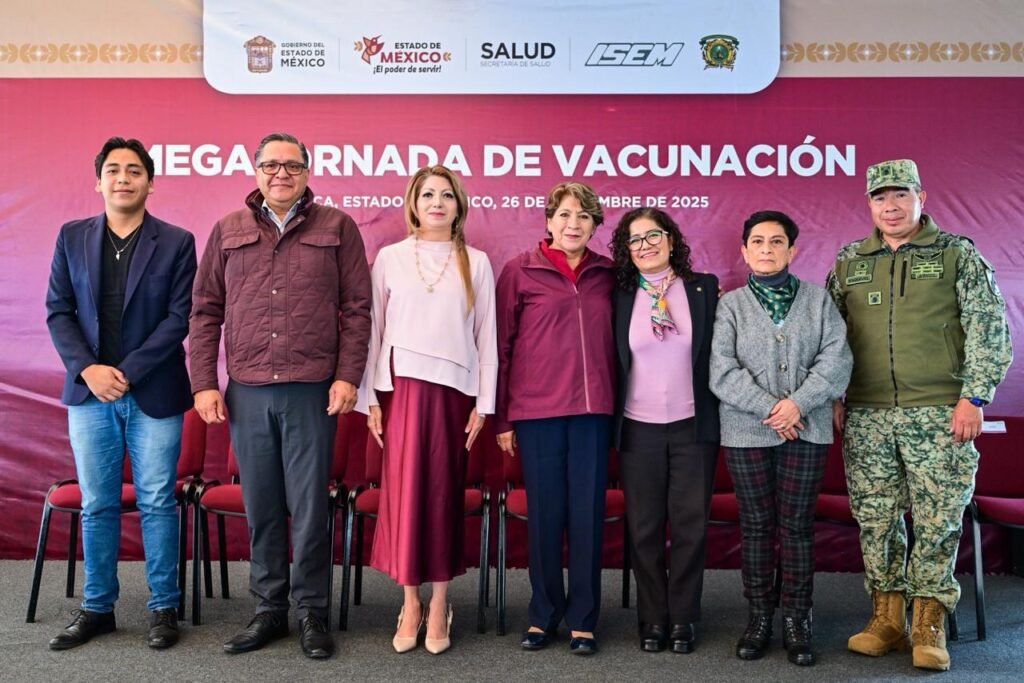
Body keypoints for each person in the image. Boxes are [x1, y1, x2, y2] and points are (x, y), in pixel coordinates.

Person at [189, 132, 371, 660]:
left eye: (291, 165)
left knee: (310, 508)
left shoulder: (337, 227)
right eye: (271, 165)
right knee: (262, 505)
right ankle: (268, 609)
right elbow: (205, 311)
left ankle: (312, 611)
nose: (281, 174)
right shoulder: (228, 229)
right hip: (247, 389)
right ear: (256, 172)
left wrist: (348, 376)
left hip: (313, 389)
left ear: (307, 172)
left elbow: (357, 309)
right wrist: (204, 382)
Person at [827, 159, 1011, 671]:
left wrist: (974, 397)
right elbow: (829, 338)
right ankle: (886, 617)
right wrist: (834, 394)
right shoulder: (849, 261)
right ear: (869, 204)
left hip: (940, 412)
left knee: (938, 519)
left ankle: (928, 621)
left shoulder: (955, 254)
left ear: (920, 198)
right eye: (880, 197)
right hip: (867, 415)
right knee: (876, 519)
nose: (891, 206)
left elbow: (988, 327)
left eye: (900, 195)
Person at [45, 137, 197, 650]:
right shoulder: (71, 237)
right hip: (90, 394)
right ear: (98, 182)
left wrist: (125, 372)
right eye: (113, 170)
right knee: (97, 504)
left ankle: (163, 607)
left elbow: (179, 318)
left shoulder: (176, 241)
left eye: (134, 170)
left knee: (157, 501)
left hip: (153, 390)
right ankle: (97, 608)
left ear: (150, 182)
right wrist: (89, 370)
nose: (123, 178)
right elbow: (58, 311)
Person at [361, 165, 497, 655]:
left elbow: (486, 336)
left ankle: (440, 603)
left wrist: (484, 403)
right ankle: (410, 603)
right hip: (400, 390)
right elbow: (373, 329)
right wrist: (370, 398)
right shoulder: (390, 258)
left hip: (454, 394)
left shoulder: (476, 262)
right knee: (405, 496)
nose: (437, 203)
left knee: (441, 493)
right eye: (427, 195)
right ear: (413, 204)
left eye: (446, 195)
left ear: (459, 206)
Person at [710, 210, 852, 666]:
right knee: (755, 526)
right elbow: (722, 371)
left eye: (776, 242)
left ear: (792, 250)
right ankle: (758, 619)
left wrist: (798, 405)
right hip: (746, 430)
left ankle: (797, 619)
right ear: (744, 251)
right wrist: (773, 410)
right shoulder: (730, 306)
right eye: (757, 241)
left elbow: (837, 360)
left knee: (796, 527)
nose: (766, 249)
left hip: (806, 429)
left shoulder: (818, 301)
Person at [495, 181, 615, 655]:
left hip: (593, 413)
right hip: (537, 413)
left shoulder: (609, 273)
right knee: (544, 517)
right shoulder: (519, 270)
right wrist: (503, 418)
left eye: (583, 216)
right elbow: (501, 348)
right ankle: (543, 615)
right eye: (564, 214)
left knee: (587, 517)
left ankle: (584, 620)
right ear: (548, 221)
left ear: (595, 224)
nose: (573, 223)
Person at [608, 208, 720, 655]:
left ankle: (684, 617)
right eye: (634, 240)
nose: (645, 245)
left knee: (691, 527)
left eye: (653, 235)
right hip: (638, 429)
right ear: (626, 250)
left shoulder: (704, 288)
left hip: (694, 426)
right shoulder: (617, 295)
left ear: (672, 240)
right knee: (645, 528)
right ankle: (653, 617)